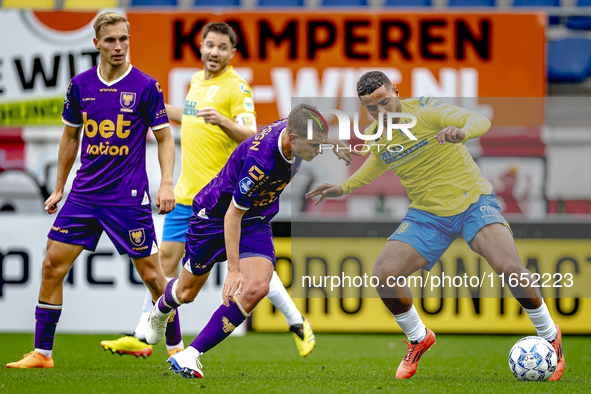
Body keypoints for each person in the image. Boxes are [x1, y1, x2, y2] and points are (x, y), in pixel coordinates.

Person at [306, 71, 564, 380]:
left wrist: (462, 132)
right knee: (384, 276)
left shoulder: (427, 111)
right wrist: (343, 188)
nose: (381, 112)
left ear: (396, 92)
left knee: (509, 268)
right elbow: (378, 160)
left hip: (472, 203)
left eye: (385, 102)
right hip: (427, 215)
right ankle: (419, 337)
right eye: (372, 108)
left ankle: (550, 336)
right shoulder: (378, 131)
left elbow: (479, 121)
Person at [99, 22, 322, 359]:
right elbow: (188, 117)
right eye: (210, 46)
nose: (215, 52)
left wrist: (223, 121)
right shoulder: (196, 83)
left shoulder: (237, 88)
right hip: (190, 195)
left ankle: (295, 321)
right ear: (201, 47)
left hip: (226, 196)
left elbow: (252, 136)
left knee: (251, 276)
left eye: (222, 48)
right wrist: (147, 112)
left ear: (231, 53)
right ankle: (148, 336)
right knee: (168, 270)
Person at [6, 12, 181, 369]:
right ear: (96, 43)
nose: (119, 47)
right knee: (52, 265)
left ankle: (179, 351)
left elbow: (165, 139)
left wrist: (165, 182)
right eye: (111, 40)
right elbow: (70, 136)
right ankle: (42, 353)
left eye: (124, 40)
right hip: (84, 195)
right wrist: (59, 188)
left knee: (153, 276)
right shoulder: (80, 85)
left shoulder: (146, 86)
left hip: (127, 197)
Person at [144, 104, 347, 378]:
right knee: (187, 293)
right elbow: (232, 215)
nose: (318, 151)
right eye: (315, 145)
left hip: (256, 219)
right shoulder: (262, 163)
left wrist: (331, 142)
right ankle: (162, 308)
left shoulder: (294, 130)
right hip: (214, 218)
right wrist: (233, 269)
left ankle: (190, 355)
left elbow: (302, 126)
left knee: (257, 288)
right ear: (293, 139)